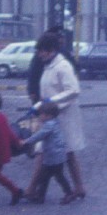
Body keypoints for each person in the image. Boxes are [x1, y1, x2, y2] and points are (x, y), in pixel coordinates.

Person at [34, 33, 86, 202]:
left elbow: (74, 90)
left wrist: (51, 102)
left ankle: (75, 188)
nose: (39, 54)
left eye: (42, 51)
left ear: (51, 50)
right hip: (51, 115)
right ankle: (76, 188)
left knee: (67, 151)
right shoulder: (49, 66)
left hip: (64, 115)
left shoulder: (63, 66)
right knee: (50, 151)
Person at [19, 101, 74, 205]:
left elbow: (39, 135)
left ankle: (68, 193)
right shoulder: (55, 122)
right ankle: (41, 195)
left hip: (53, 157)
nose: (39, 116)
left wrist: (26, 141)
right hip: (56, 156)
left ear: (48, 115)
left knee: (55, 176)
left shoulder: (49, 126)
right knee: (47, 176)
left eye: (41, 114)